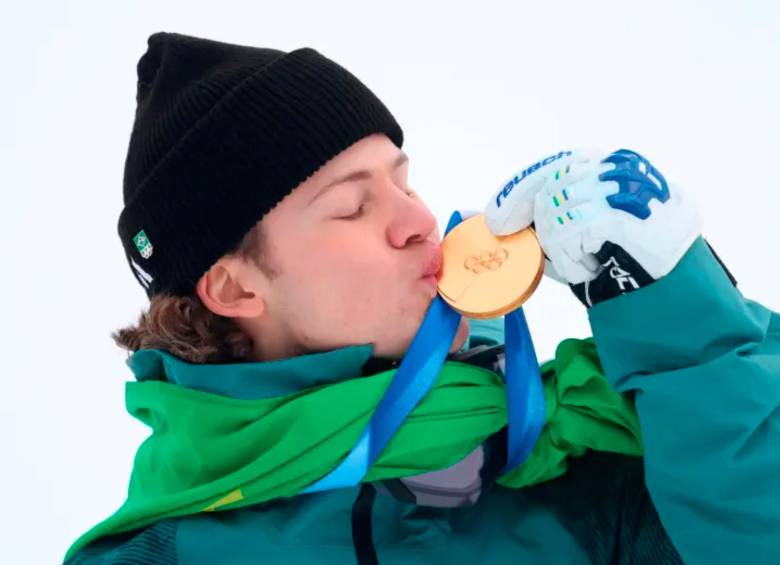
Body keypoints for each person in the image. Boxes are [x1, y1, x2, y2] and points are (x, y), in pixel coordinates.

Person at [63, 31, 780, 564]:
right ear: (233, 285)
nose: (418, 222)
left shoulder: (584, 463)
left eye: (404, 183)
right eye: (353, 206)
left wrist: (680, 323)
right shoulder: (159, 555)